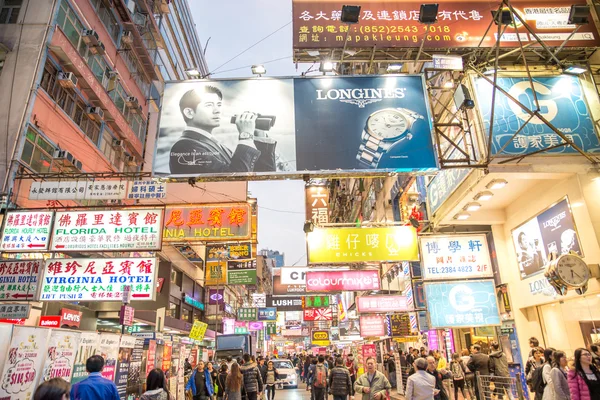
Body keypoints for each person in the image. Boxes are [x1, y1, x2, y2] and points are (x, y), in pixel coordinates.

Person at [169, 87, 277, 174]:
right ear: (189, 113)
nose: (217, 111)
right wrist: (246, 136)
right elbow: (234, 179)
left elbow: (263, 176)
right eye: (209, 105)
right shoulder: (185, 146)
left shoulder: (214, 144)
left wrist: (258, 135)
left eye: (219, 105)